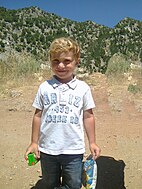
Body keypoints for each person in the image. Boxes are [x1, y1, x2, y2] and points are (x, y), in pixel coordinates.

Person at [25, 37, 101, 189]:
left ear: (76, 61)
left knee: (73, 184)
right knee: (49, 183)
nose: (61, 65)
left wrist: (92, 142)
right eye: (55, 61)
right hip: (47, 149)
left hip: (73, 150)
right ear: (50, 61)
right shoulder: (44, 87)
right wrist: (34, 142)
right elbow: (38, 115)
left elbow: (88, 116)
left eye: (66, 61)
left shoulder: (83, 88)